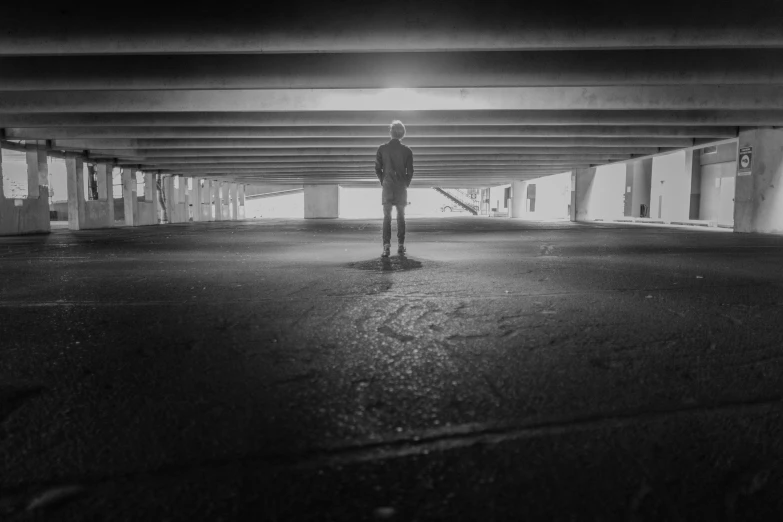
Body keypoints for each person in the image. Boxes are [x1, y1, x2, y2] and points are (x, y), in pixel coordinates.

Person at [375, 120, 414, 257]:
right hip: (401, 188)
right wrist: (405, 183)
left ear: (390, 132)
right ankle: (401, 245)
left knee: (387, 217)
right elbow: (410, 171)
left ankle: (386, 247)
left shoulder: (382, 149)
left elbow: (377, 168)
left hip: (387, 187)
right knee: (401, 217)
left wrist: (384, 181)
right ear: (403, 134)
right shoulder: (407, 151)